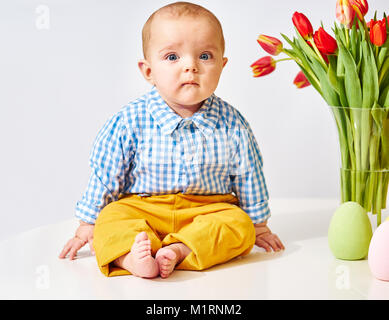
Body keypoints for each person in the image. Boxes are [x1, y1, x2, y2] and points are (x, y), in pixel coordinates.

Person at [59, 1, 284, 278]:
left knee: (239, 225)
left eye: (204, 56)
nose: (191, 66)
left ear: (222, 65)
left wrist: (258, 225)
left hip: (207, 212)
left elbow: (249, 175)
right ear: (148, 70)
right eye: (172, 57)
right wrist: (87, 224)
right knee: (110, 219)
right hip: (142, 209)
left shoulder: (232, 122)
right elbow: (106, 175)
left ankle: (179, 250)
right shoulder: (129, 121)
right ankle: (132, 258)